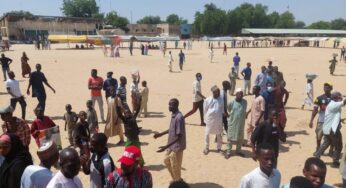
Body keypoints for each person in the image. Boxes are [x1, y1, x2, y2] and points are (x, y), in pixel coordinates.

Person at [154, 98, 186, 182]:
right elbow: (171, 129)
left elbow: (179, 136)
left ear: (176, 106)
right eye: (169, 105)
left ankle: (178, 182)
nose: (169, 107)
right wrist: (160, 134)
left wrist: (165, 147)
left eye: (171, 105)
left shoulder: (179, 118)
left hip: (177, 147)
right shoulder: (173, 115)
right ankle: (177, 179)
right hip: (171, 145)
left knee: (175, 166)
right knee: (166, 161)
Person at [314, 92, 346, 168]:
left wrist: (340, 120)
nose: (340, 98)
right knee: (338, 146)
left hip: (327, 129)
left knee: (326, 143)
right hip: (333, 129)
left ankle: (317, 155)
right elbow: (344, 102)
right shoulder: (334, 104)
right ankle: (335, 161)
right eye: (339, 97)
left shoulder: (331, 104)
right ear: (336, 98)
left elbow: (333, 115)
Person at [309, 83, 333, 153]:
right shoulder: (319, 98)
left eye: (327, 87)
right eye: (325, 87)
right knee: (318, 136)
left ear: (331, 89)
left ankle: (331, 150)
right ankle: (318, 148)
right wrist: (311, 120)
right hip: (321, 120)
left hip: (331, 121)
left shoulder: (334, 98)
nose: (325, 89)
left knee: (331, 137)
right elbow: (315, 109)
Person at [225, 88, 247, 159]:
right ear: (236, 94)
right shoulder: (231, 103)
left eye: (241, 93)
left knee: (240, 137)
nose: (240, 95)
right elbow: (228, 109)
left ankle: (238, 150)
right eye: (239, 93)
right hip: (233, 123)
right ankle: (228, 151)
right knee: (230, 137)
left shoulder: (245, 102)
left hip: (241, 123)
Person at [203, 86, 224, 154]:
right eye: (215, 92)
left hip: (218, 119)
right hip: (209, 119)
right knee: (207, 134)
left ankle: (219, 148)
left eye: (217, 92)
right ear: (213, 92)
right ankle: (206, 147)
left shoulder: (221, 99)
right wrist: (205, 119)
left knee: (219, 134)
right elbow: (205, 110)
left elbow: (222, 110)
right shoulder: (208, 99)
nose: (216, 93)